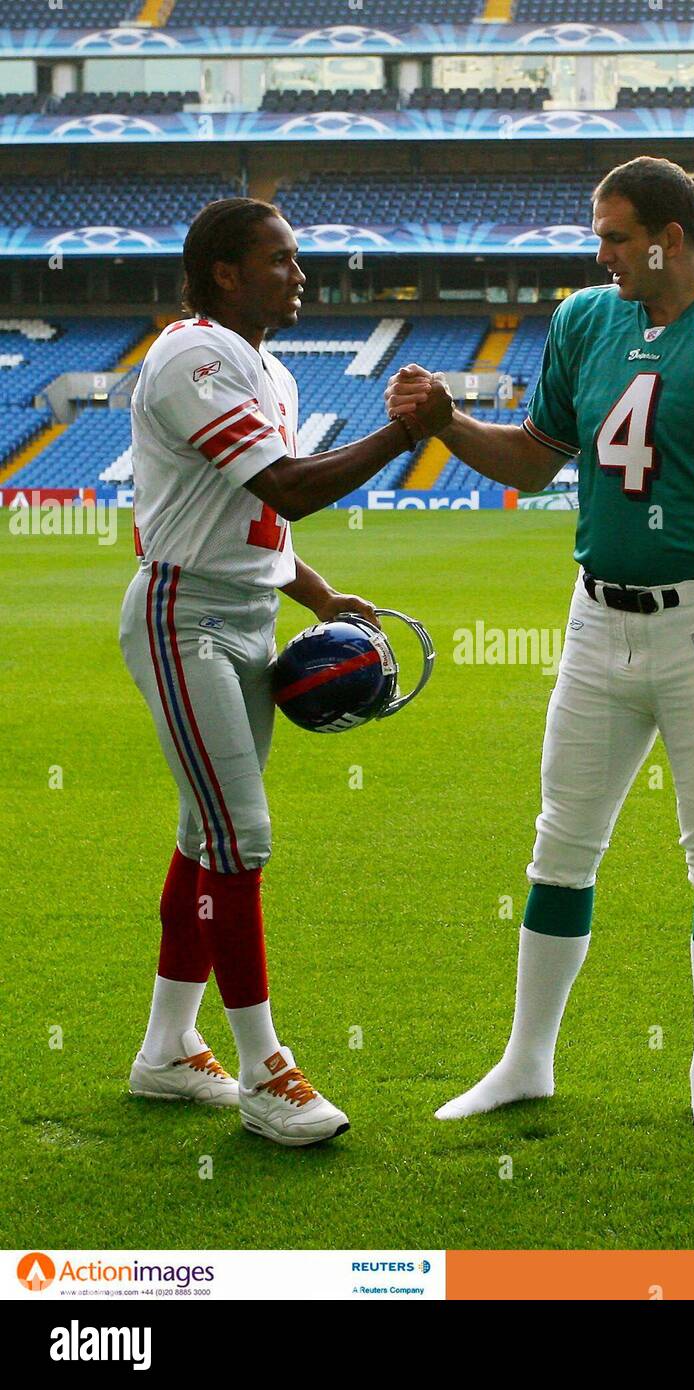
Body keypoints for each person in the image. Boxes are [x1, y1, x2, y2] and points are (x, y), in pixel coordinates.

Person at [386, 157, 694, 1140]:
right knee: (560, 841)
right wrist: (447, 425)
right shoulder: (586, 321)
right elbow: (532, 457)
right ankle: (526, 1059)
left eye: (612, 236)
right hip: (596, 618)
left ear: (668, 238)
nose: (598, 254)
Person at [122, 198, 450, 1146]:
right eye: (281, 259)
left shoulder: (263, 365)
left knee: (206, 836)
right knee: (242, 838)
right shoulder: (192, 355)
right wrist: (406, 433)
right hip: (186, 617)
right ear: (225, 272)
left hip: (245, 612)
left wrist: (314, 594)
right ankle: (268, 1072)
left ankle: (168, 1051)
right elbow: (287, 486)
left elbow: (260, 516)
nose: (300, 274)